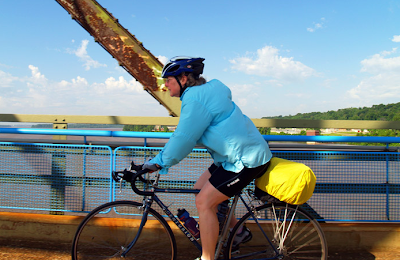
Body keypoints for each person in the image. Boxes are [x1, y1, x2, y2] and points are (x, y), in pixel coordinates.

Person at [143, 56, 272, 260]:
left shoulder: (195, 99)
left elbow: (184, 138)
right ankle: (238, 233)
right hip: (234, 157)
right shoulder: (207, 91)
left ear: (183, 78)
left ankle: (207, 257)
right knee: (199, 188)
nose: (165, 85)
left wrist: (157, 162)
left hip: (245, 160)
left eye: (168, 79)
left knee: (204, 202)